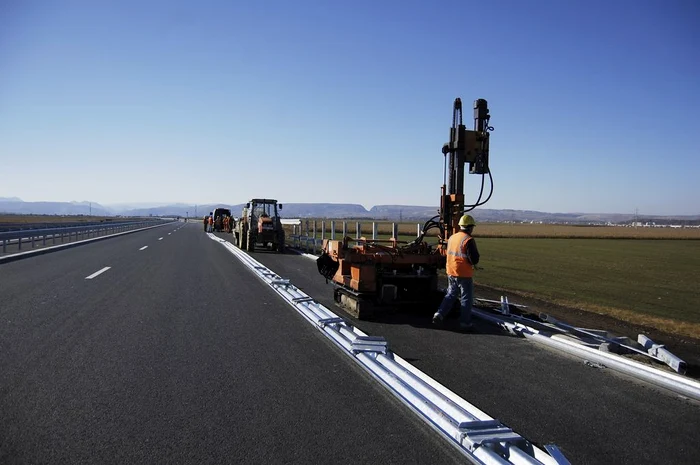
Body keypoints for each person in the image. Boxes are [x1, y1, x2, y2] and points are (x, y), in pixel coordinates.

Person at [433, 214, 480, 332]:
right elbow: (474, 259)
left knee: (450, 294)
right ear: (470, 227)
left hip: (451, 271)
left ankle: (439, 314)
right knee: (466, 298)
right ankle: (465, 323)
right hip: (463, 273)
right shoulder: (468, 240)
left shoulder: (453, 238)